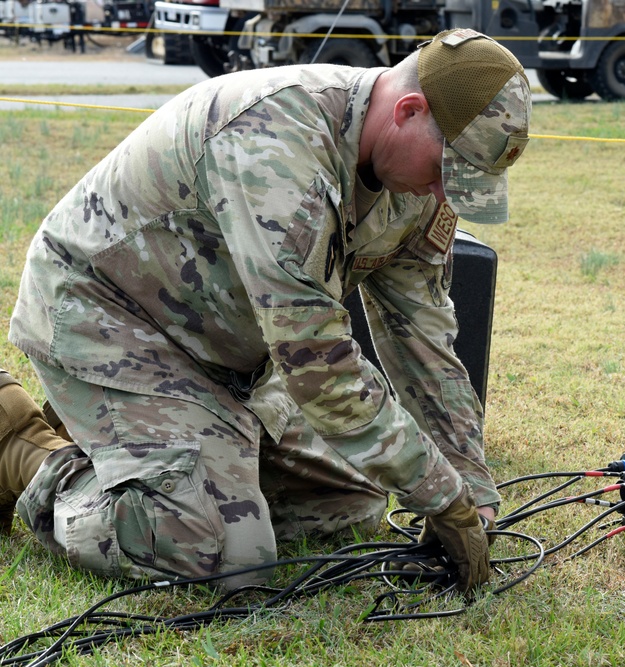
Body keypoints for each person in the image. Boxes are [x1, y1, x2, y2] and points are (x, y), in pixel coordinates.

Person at [0, 28, 531, 592]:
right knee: (216, 552)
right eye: (448, 169)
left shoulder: (414, 190)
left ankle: (143, 453)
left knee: (350, 500)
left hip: (223, 351)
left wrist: (472, 491)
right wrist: (440, 497)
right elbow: (320, 372)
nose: (446, 194)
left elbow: (426, 346)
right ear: (407, 110)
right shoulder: (276, 146)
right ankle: (27, 452)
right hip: (110, 319)